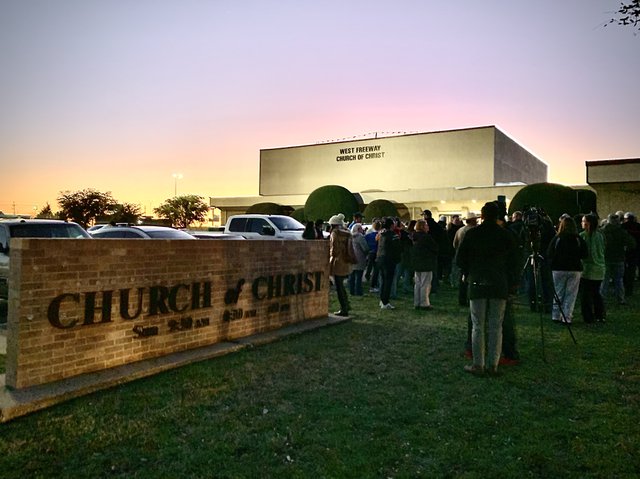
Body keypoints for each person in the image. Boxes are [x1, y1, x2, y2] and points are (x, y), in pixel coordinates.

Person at [456, 202, 519, 376]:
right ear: (498, 216)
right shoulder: (506, 235)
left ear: (482, 216)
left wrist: (469, 271)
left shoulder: (473, 234)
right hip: (499, 283)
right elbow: (514, 262)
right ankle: (493, 364)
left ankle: (478, 363)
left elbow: (460, 259)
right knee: (495, 325)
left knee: (478, 325)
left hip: (477, 281)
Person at [546, 216, 588, 324]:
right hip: (574, 268)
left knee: (558, 292)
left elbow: (549, 253)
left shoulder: (558, 238)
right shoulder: (578, 239)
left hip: (558, 268)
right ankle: (567, 316)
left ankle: (556, 315)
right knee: (571, 294)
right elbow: (585, 254)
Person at [600, 213, 636, 305]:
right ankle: (620, 299)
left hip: (606, 258)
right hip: (619, 258)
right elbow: (632, 243)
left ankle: (602, 298)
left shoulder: (602, 232)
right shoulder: (621, 232)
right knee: (619, 280)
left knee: (605, 280)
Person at [580, 214, 606, 323]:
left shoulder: (583, 235)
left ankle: (588, 316)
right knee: (596, 293)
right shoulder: (600, 235)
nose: (582, 223)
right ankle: (600, 315)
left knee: (585, 294)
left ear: (588, 223)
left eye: (583, 221)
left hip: (588, 268)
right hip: (600, 267)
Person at [411, 219, 438, 310]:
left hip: (416, 262)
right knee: (425, 284)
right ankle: (424, 303)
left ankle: (416, 302)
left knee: (417, 283)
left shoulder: (413, 236)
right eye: (426, 225)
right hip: (426, 262)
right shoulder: (426, 237)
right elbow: (434, 248)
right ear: (423, 227)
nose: (428, 227)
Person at [328, 214, 352, 317]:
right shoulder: (347, 233)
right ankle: (346, 305)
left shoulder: (334, 234)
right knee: (341, 286)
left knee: (339, 287)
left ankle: (344, 308)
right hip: (346, 261)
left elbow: (334, 250)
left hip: (338, 262)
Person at [376, 217, 401, 310]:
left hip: (380, 259)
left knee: (383, 281)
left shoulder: (381, 234)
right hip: (389, 260)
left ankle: (382, 299)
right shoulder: (393, 235)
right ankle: (385, 301)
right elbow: (397, 248)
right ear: (391, 225)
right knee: (388, 282)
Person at [622, 212, 640, 296]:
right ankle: (630, 289)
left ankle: (625, 288)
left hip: (625, 252)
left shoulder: (623, 226)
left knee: (625, 271)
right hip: (636, 252)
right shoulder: (638, 226)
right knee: (632, 271)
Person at [348, 223, 369, 296]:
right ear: (358, 229)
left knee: (351, 276)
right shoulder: (360, 237)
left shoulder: (349, 237)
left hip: (351, 257)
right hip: (359, 258)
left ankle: (351, 291)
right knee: (358, 277)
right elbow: (365, 248)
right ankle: (358, 292)